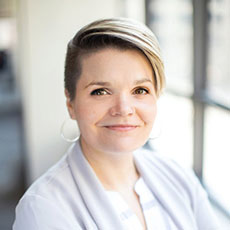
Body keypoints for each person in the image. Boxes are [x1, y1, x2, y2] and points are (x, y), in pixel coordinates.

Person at [13, 18, 220, 230]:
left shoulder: (178, 177)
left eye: (140, 90)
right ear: (71, 103)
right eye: (100, 91)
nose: (123, 108)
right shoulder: (43, 209)